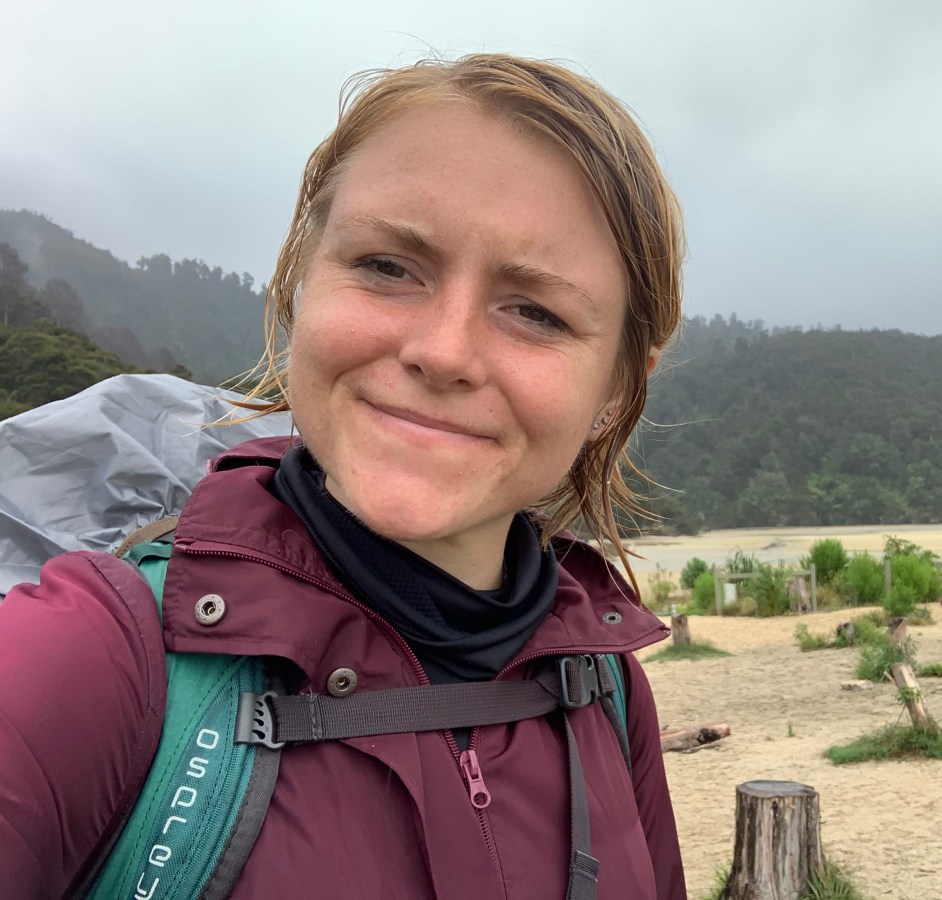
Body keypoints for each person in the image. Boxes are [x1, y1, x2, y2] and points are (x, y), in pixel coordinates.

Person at [0, 53, 686, 899]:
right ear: (299, 278)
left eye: (535, 311)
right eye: (388, 266)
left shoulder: (604, 691)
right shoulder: (92, 657)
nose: (443, 352)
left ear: (616, 390)